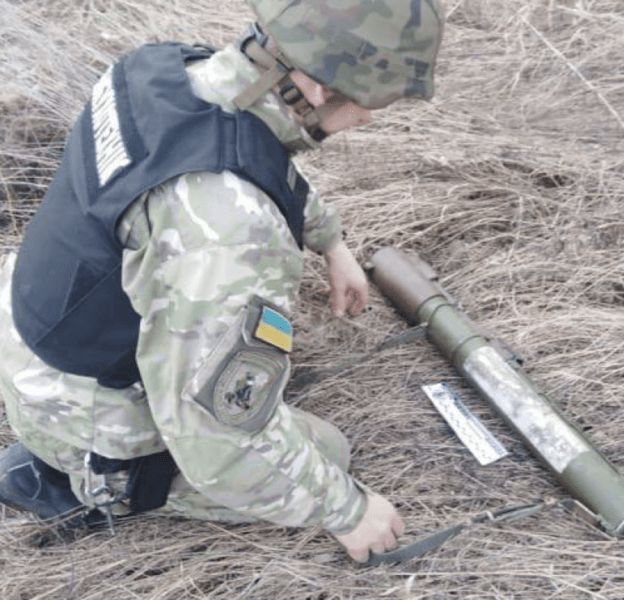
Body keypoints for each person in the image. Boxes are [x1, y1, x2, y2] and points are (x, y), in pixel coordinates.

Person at [0, 0, 443, 563]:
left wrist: (330, 241)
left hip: (30, 326)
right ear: (309, 84)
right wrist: (347, 509)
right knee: (326, 451)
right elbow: (218, 444)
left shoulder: (162, 69)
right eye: (371, 98)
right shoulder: (231, 236)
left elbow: (254, 156)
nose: (370, 118)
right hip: (77, 408)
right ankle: (85, 484)